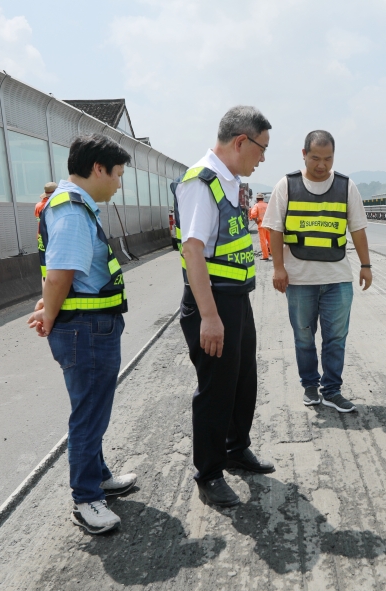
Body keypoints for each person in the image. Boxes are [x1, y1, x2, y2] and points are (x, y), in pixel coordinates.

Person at [27, 134, 137, 534]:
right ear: (98, 168)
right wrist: (50, 314)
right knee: (88, 415)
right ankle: (86, 498)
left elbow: (62, 276)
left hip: (89, 326)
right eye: (118, 174)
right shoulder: (73, 210)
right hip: (86, 330)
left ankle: (98, 476)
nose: (119, 183)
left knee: (91, 409)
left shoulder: (72, 205)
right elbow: (60, 275)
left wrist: (49, 307)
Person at [172, 105, 275, 508]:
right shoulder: (202, 181)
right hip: (212, 302)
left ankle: (236, 447)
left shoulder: (230, 182)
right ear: (240, 142)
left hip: (236, 299)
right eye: (261, 148)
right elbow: (192, 250)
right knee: (216, 389)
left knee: (242, 379)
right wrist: (210, 317)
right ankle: (209, 473)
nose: (262, 158)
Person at [265, 130, 372, 413]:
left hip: (338, 279)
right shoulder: (287, 185)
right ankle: (310, 386)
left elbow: (358, 229)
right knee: (304, 338)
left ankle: (332, 390)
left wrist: (366, 265)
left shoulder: (346, 186)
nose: (322, 165)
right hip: (299, 279)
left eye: (328, 159)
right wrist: (278, 268)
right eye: (315, 158)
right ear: (304, 155)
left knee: (336, 339)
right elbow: (274, 229)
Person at [249, 192, 270, 260]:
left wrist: (256, 221)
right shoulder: (267, 205)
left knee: (263, 241)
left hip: (262, 225)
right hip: (268, 225)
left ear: (257, 199)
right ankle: (272, 253)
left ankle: (265, 256)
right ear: (263, 199)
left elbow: (253, 214)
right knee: (270, 240)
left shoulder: (256, 205)